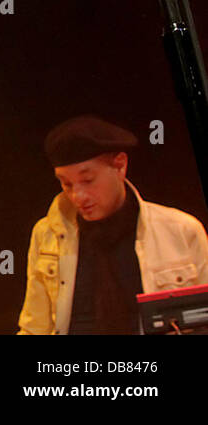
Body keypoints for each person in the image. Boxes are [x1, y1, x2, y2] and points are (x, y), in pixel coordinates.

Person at [18, 115, 208, 335]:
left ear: (120, 165)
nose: (78, 195)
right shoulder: (46, 234)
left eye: (88, 180)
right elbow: (34, 328)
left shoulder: (180, 230)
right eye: (66, 183)